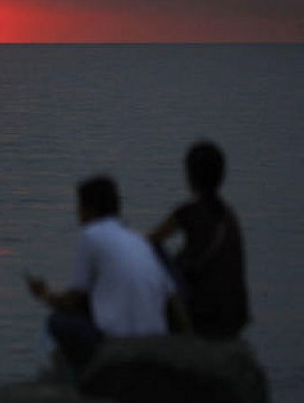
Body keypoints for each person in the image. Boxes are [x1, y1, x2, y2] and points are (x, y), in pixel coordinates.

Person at [27, 175, 188, 377]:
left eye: (79, 207)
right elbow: (173, 300)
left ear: (89, 209)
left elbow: (74, 301)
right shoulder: (138, 241)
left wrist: (45, 295)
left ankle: (87, 374)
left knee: (56, 321)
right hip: (155, 340)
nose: (77, 214)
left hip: (119, 344)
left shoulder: (91, 235)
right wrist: (187, 344)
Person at [148, 141, 250, 339]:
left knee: (154, 252)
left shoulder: (189, 212)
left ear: (190, 176)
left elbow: (151, 241)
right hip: (235, 315)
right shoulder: (229, 215)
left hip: (204, 312)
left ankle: (177, 326)